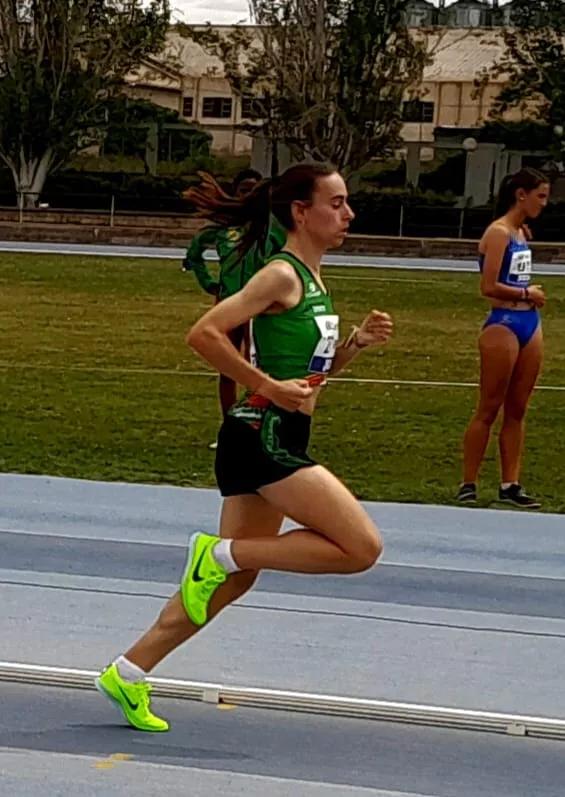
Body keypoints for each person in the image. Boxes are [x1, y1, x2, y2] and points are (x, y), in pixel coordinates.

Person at [95, 162, 394, 732]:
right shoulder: (280, 275)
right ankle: (218, 552)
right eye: (336, 203)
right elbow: (203, 333)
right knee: (360, 547)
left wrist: (353, 343)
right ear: (300, 213)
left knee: (232, 581)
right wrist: (265, 387)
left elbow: (307, 375)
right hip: (263, 437)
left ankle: (128, 673)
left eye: (347, 203)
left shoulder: (311, 279)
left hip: (271, 432)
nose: (348, 213)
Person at [457, 168, 550, 508]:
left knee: (518, 408)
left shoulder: (521, 232)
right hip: (504, 322)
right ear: (520, 195)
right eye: (540, 195)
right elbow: (487, 286)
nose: (544, 203)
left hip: (529, 321)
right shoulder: (498, 233)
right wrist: (527, 292)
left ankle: (510, 483)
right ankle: (469, 482)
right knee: (489, 406)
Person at [182, 169, 288, 421]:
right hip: (228, 304)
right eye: (243, 189)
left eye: (253, 189)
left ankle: (258, 421)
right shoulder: (222, 229)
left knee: (256, 365)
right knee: (227, 368)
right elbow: (193, 255)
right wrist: (209, 283)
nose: (248, 194)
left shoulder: (271, 229)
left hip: (259, 307)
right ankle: (229, 424)